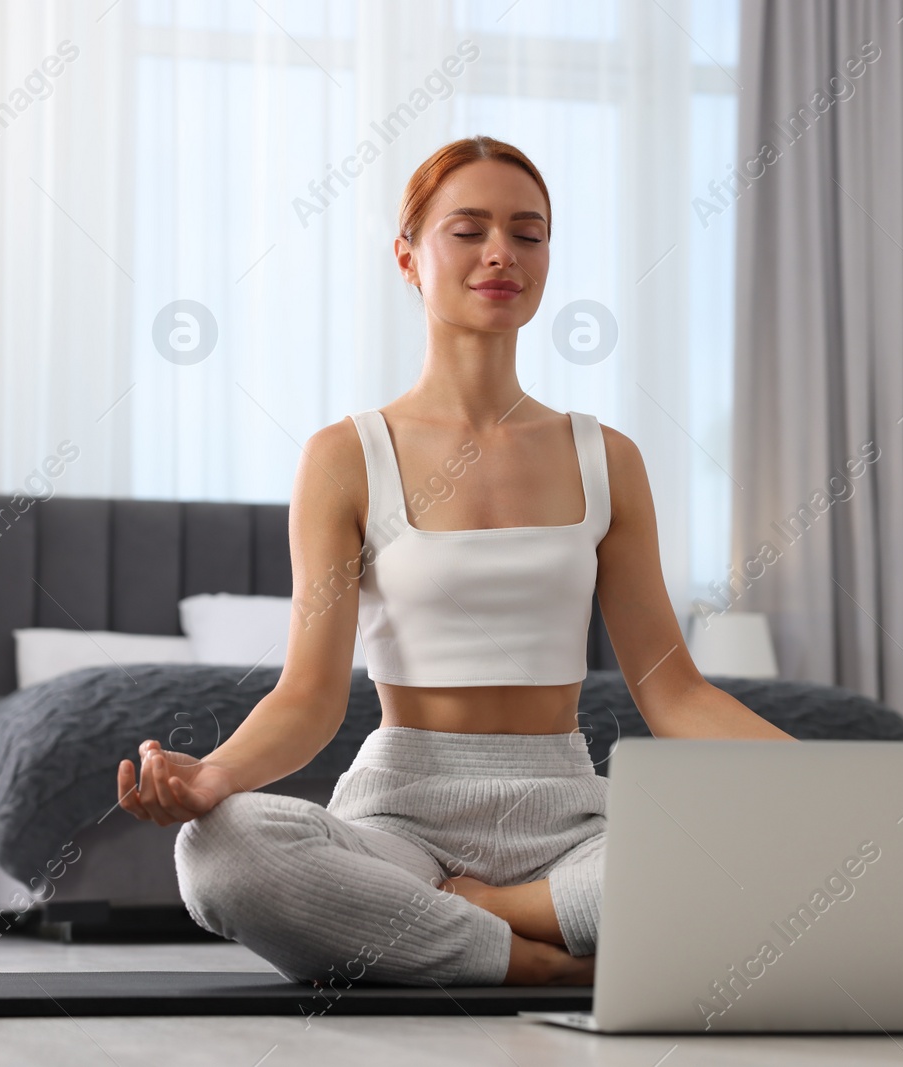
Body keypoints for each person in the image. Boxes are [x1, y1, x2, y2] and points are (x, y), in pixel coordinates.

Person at [117, 135, 792, 989]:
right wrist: (211, 778)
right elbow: (310, 697)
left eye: (529, 232)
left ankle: (502, 914)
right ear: (409, 257)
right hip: (401, 822)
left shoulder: (606, 457)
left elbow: (676, 691)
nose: (502, 253)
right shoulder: (345, 456)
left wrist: (814, 788)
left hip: (574, 824)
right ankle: (537, 961)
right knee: (220, 852)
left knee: (776, 851)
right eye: (468, 230)